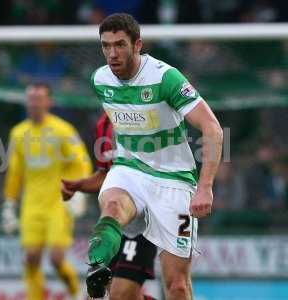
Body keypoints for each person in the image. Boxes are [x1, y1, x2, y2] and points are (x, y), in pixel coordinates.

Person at [86, 13, 223, 300]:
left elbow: (212, 127)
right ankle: (97, 266)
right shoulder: (100, 79)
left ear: (137, 45)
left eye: (120, 45)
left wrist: (205, 186)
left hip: (174, 181)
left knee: (176, 285)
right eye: (105, 46)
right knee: (111, 205)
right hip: (130, 170)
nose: (112, 54)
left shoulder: (165, 78)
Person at [1, 83, 92, 300]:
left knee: (56, 258)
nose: (34, 103)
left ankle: (75, 292)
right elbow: (15, 172)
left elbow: (81, 161)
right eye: (30, 98)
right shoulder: (18, 133)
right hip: (31, 204)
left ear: (49, 102)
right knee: (31, 257)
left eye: (39, 98)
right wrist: (9, 203)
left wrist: (78, 192)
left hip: (58, 203)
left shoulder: (63, 130)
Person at [62, 112, 157, 300]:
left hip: (142, 225)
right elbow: (105, 175)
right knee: (107, 295)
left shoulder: (149, 115)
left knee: (120, 294)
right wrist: (78, 185)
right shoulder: (103, 124)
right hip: (112, 226)